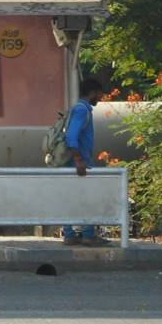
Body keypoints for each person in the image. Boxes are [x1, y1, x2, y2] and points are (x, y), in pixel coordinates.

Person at [62, 78, 106, 245]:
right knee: (87, 198)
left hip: (74, 163)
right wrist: (78, 160)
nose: (100, 98)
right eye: (99, 94)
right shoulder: (82, 110)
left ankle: (70, 234)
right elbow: (71, 136)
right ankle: (87, 235)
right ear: (93, 92)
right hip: (78, 164)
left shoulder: (79, 108)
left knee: (73, 198)